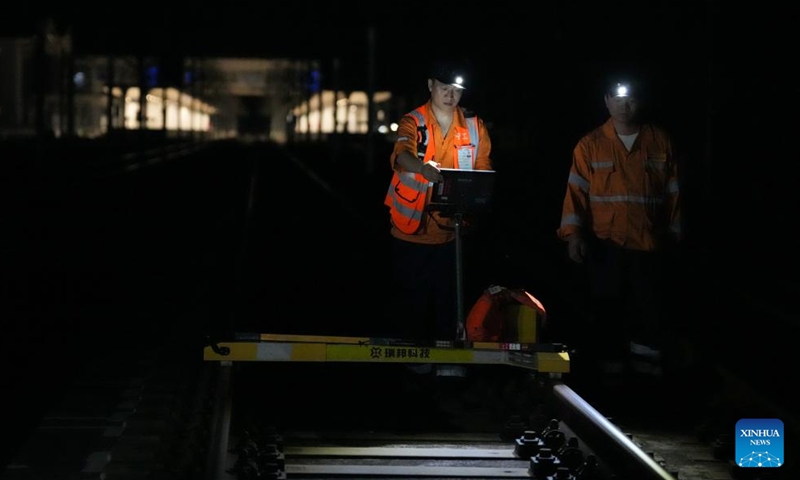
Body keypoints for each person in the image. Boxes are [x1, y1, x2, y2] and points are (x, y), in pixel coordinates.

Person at [556, 75, 682, 389]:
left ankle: (648, 382)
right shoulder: (590, 144)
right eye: (617, 98)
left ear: (640, 101)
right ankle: (610, 384)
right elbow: (576, 194)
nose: (624, 106)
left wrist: (676, 236)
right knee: (607, 314)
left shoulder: (660, 141)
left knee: (648, 316)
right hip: (605, 245)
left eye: (631, 98)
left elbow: (675, 194)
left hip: (649, 245)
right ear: (606, 101)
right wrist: (573, 235)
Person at [383, 59, 494, 372]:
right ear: (431, 85)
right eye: (444, 87)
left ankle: (449, 360)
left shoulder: (474, 125)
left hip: (453, 230)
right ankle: (414, 363)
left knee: (451, 299)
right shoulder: (413, 121)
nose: (450, 95)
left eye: (456, 89)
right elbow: (401, 154)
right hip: (412, 230)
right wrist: (422, 167)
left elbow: (483, 167)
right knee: (412, 297)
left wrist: (477, 194)